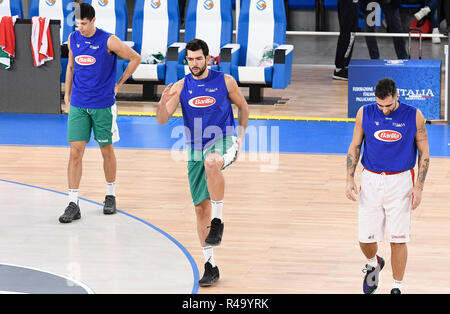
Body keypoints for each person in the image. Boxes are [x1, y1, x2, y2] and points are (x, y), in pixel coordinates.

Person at [156, 38, 249, 287]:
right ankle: (210, 265)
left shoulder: (225, 81)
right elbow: (163, 119)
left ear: (208, 58)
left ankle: (218, 221)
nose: (194, 63)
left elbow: (243, 107)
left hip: (223, 139)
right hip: (194, 148)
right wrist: (161, 102)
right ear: (186, 60)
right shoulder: (180, 86)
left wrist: (239, 139)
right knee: (199, 209)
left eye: (199, 58)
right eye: (190, 59)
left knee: (212, 162)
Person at [345, 78, 430, 294]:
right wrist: (349, 178)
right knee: (365, 239)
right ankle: (374, 263)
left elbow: (425, 154)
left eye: (389, 105)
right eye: (380, 105)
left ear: (397, 97)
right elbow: (355, 146)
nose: (384, 110)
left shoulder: (415, 116)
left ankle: (397, 287)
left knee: (398, 238)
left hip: (401, 182)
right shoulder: (365, 113)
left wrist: (419, 187)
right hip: (371, 180)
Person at [59, 3, 141, 223]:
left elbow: (135, 58)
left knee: (106, 149)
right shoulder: (73, 38)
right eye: (77, 24)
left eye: (84, 24)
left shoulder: (109, 40)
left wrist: (119, 84)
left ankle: (110, 194)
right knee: (75, 152)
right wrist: (67, 96)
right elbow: (71, 67)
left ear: (93, 20)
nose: (81, 28)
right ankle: (73, 202)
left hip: (103, 105)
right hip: (78, 104)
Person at [333, 0, 360, 80]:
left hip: (352, 3)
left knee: (351, 33)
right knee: (347, 33)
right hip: (348, 3)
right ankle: (339, 68)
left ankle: (344, 66)